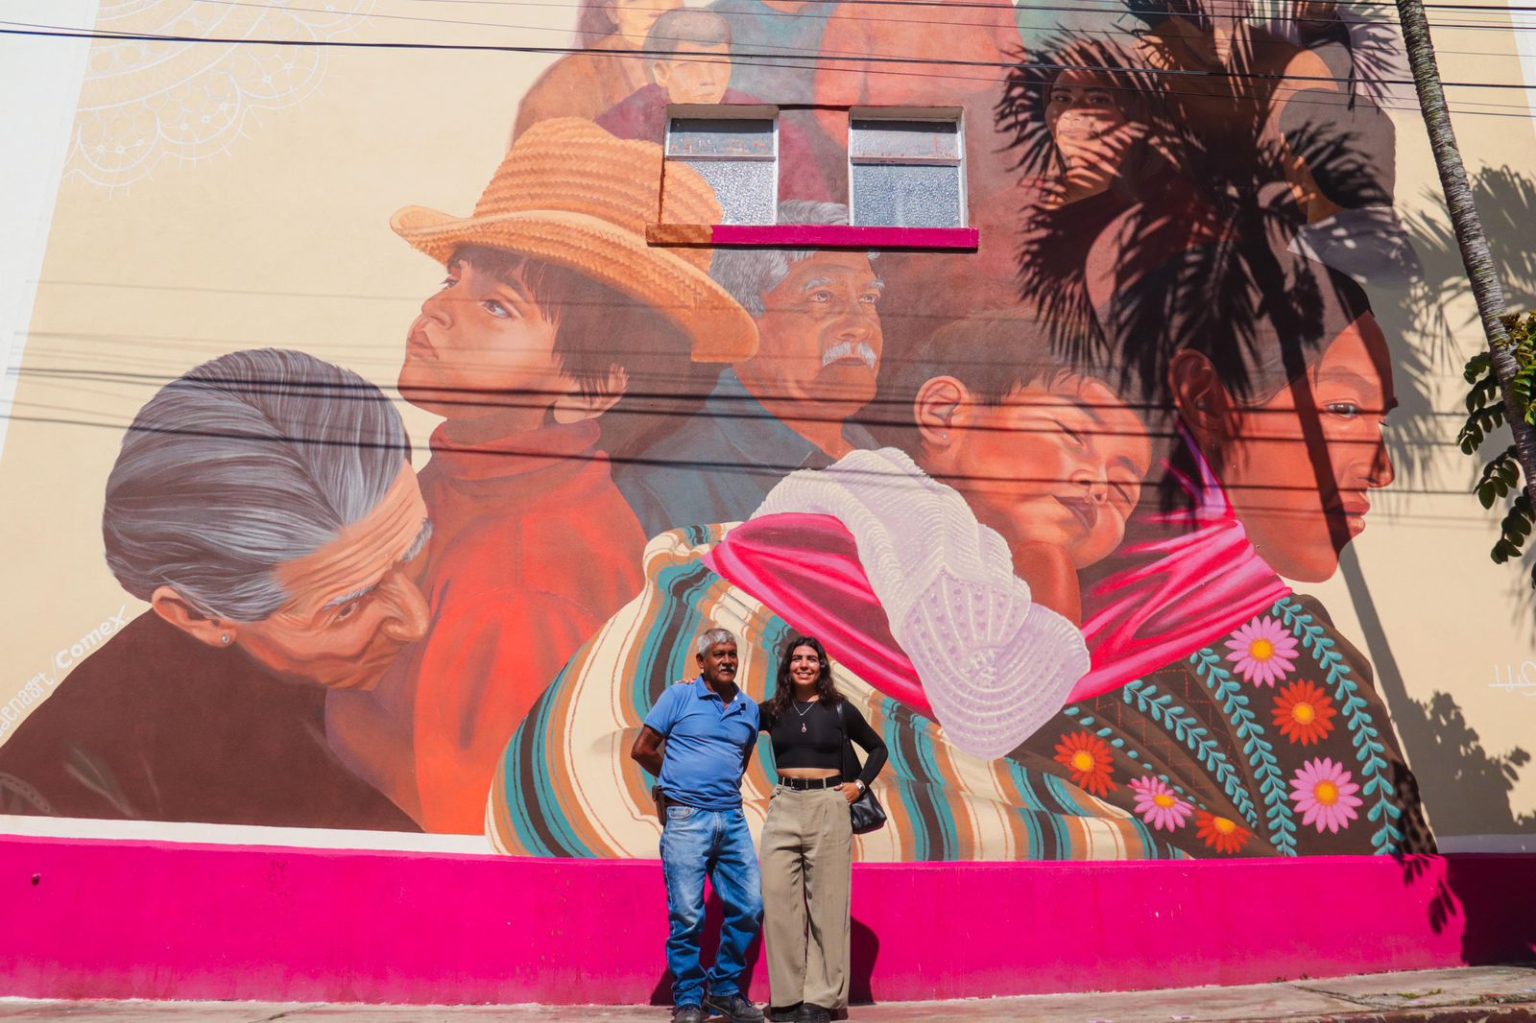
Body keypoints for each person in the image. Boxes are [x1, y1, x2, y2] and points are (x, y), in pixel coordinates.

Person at [488, 310, 1184, 862]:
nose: (1099, 483)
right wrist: (1053, 576)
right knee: (1108, 839)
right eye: (1074, 434)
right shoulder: (922, 511)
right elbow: (987, 712)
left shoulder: (910, 519)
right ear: (945, 415)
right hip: (642, 794)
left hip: (603, 787)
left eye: (1125, 485)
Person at [325, 117, 758, 834]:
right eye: (452, 278)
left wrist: (336, 712)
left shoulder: (523, 587)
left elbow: (479, 836)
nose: (436, 309)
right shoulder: (466, 482)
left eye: (497, 306)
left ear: (591, 390)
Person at [0, 349, 425, 831]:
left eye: (414, 549)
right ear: (196, 615)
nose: (417, 620)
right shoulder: (57, 805)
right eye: (347, 608)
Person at [613, 201, 883, 536]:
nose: (860, 326)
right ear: (743, 318)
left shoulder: (879, 458)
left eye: (868, 299)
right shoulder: (663, 493)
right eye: (823, 297)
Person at [631, 628, 766, 1023]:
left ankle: (723, 991)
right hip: (686, 819)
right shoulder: (679, 696)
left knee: (749, 907)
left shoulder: (749, 708)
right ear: (701, 662)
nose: (727, 661)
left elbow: (738, 762)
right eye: (718, 654)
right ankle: (689, 998)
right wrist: (676, 781)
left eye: (732, 654)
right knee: (688, 915)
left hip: (732, 819)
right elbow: (642, 749)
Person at [758, 636, 887, 1023]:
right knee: (779, 904)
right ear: (787, 666)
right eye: (796, 658)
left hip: (829, 805)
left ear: (822, 666)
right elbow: (727, 714)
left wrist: (859, 785)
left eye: (811, 659)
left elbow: (878, 748)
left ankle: (821, 999)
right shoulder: (771, 711)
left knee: (828, 906)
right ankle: (787, 999)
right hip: (784, 805)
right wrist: (696, 686)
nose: (804, 664)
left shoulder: (839, 709)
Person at [511, 0, 681, 140]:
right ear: (613, 12)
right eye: (634, 0)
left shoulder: (692, 59)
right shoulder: (572, 76)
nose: (654, 8)